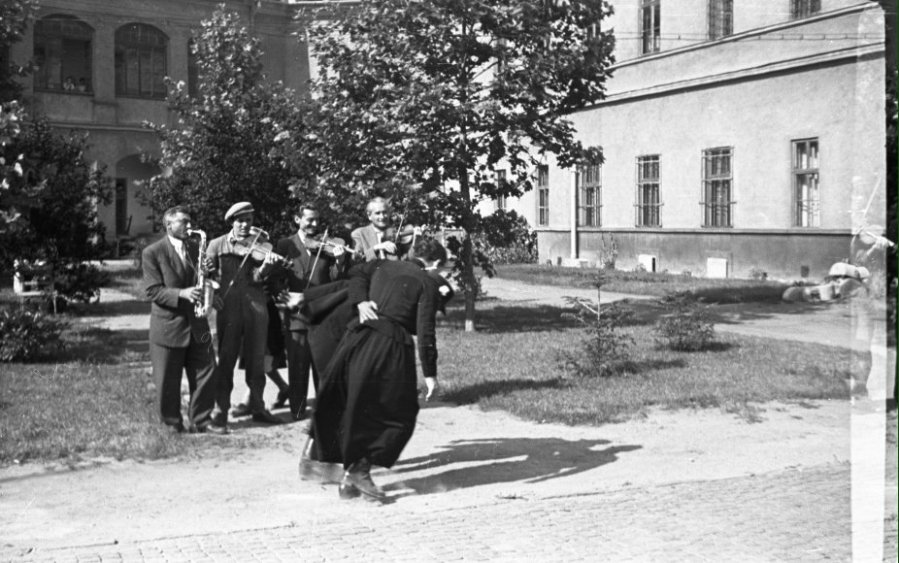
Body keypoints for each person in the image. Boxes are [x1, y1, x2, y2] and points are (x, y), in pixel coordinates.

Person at [306, 237, 451, 501]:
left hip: (355, 338)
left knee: (349, 400)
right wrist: (430, 375)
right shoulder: (427, 282)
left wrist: (361, 301)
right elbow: (426, 333)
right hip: (390, 346)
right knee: (396, 410)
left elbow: (355, 274)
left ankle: (332, 468)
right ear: (436, 263)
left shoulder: (380, 264)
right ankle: (359, 472)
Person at [142, 206, 226, 434]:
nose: (190, 226)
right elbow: (152, 291)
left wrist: (209, 272)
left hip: (197, 322)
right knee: (167, 379)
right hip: (168, 325)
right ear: (169, 225)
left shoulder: (196, 247)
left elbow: (203, 280)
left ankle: (201, 419)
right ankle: (171, 424)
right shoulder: (152, 252)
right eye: (184, 222)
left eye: (190, 221)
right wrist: (182, 294)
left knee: (207, 370)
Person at [206, 202, 284, 428]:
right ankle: (220, 411)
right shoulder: (216, 244)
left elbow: (258, 279)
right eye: (240, 220)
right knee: (227, 359)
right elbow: (206, 275)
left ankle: (258, 408)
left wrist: (267, 268)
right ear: (232, 222)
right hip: (228, 308)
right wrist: (214, 293)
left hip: (256, 307)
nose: (244, 225)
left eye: (248, 220)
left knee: (256, 361)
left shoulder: (260, 246)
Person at [274, 204, 349, 421]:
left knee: (322, 363)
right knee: (297, 363)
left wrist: (340, 260)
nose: (314, 225)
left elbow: (337, 279)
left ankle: (325, 409)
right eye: (309, 220)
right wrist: (283, 296)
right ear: (298, 220)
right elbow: (276, 277)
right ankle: (297, 410)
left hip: (322, 314)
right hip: (295, 314)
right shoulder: (285, 244)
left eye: (317, 220)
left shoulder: (328, 245)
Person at [351, 197, 401, 262]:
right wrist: (376, 247)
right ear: (369, 216)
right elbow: (356, 259)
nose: (382, 216)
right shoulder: (359, 233)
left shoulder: (394, 232)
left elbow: (409, 260)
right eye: (377, 213)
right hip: (370, 271)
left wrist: (416, 242)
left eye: (385, 212)